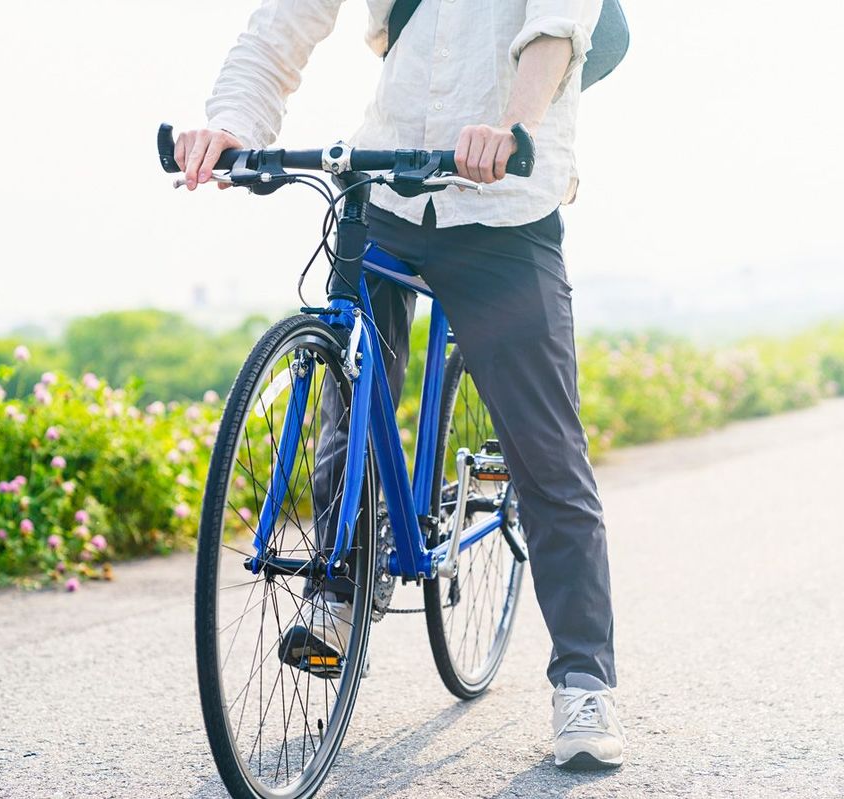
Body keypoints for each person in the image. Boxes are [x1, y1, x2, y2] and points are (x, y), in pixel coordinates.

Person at [174, 0, 624, 772]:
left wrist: (512, 127)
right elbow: (283, 23)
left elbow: (556, 29)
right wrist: (231, 122)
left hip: (500, 201)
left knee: (545, 450)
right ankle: (344, 587)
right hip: (382, 183)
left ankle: (584, 677)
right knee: (347, 383)